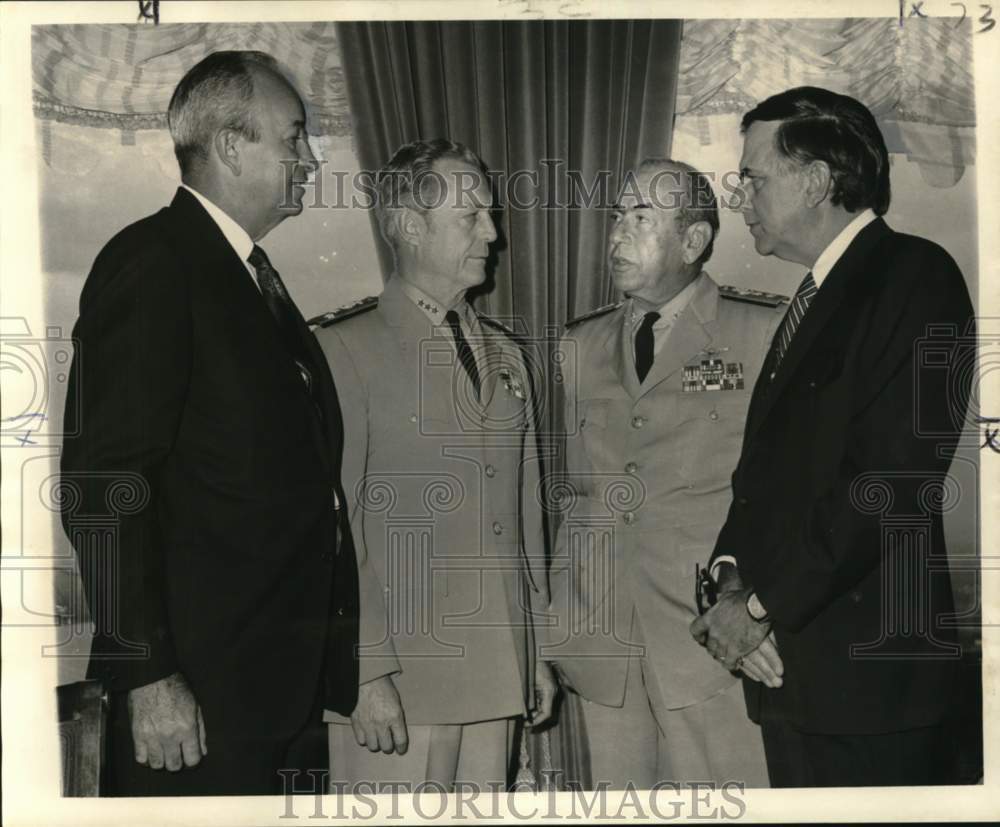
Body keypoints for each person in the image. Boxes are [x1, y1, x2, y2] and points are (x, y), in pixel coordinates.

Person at [59, 51, 359, 796]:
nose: (311, 157)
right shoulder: (156, 263)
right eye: (293, 137)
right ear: (230, 144)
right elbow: (104, 486)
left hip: (268, 691)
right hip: (192, 699)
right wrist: (149, 673)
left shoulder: (251, 277)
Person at [690, 86, 975, 787]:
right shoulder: (815, 297)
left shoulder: (916, 275)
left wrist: (759, 608)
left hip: (874, 694)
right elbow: (764, 483)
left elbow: (891, 481)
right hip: (796, 681)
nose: (741, 197)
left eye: (753, 178)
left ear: (815, 180)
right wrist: (729, 577)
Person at [316, 139, 557, 791]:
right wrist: (364, 670)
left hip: (496, 672)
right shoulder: (343, 349)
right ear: (407, 226)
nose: (493, 232)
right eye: (471, 216)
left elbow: (524, 521)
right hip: (398, 685)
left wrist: (537, 650)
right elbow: (331, 531)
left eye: (491, 214)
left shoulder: (508, 355)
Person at [544, 158, 781, 788]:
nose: (617, 234)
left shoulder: (761, 333)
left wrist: (756, 609)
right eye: (616, 216)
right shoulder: (578, 344)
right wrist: (557, 623)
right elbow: (570, 495)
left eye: (641, 218)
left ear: (693, 241)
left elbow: (787, 489)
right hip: (601, 645)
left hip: (710, 645)